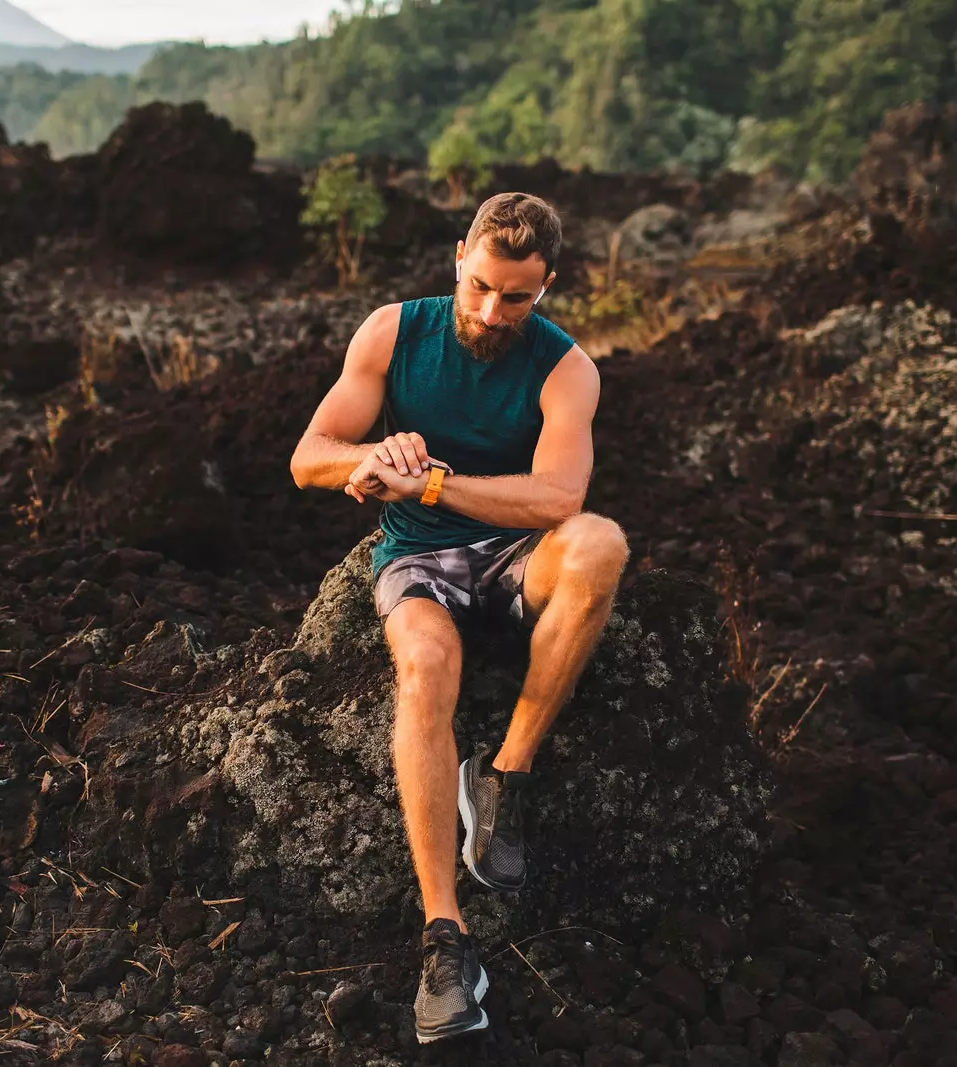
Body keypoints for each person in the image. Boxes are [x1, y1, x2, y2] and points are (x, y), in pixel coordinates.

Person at [289, 192, 629, 1043]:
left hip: (516, 554)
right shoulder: (392, 332)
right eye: (480, 286)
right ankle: (445, 935)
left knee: (599, 543)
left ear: (545, 286)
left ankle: (503, 776)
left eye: (517, 296)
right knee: (428, 667)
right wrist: (374, 460)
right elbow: (308, 458)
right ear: (457, 259)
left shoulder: (566, 368)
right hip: (417, 558)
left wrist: (432, 479)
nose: (491, 310)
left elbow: (558, 496)